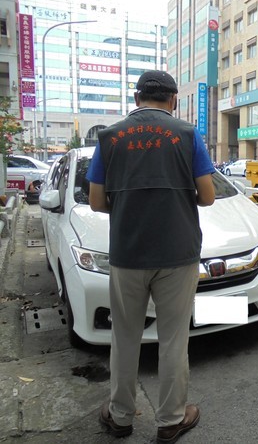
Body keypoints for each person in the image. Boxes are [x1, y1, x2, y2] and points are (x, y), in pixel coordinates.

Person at [87, 70, 215, 443]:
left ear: (137, 97)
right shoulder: (188, 135)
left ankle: (121, 417)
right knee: (173, 338)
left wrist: (131, 203)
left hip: (127, 253)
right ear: (173, 99)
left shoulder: (109, 137)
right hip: (178, 253)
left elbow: (96, 201)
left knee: (124, 336)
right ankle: (171, 420)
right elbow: (207, 196)